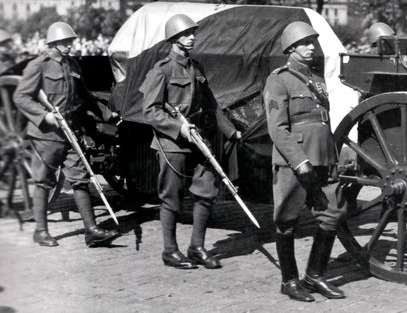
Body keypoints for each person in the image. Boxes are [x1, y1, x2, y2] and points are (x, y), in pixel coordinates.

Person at [139, 14, 241, 270]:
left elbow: (211, 105)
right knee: (171, 197)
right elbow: (150, 111)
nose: (192, 37)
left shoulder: (197, 68)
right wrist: (178, 127)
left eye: (193, 33)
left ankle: (197, 247)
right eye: (186, 34)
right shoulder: (161, 70)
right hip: (171, 142)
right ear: (174, 39)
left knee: (206, 191)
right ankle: (170, 251)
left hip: (198, 139)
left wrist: (231, 132)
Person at [13, 22, 119, 247]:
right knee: (44, 182)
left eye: (71, 42)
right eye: (66, 42)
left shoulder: (71, 65)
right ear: (54, 44)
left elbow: (85, 96)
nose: (71, 46)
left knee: (80, 178)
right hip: (47, 135)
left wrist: (108, 115)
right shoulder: (38, 66)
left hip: (71, 130)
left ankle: (91, 231)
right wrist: (45, 116)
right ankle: (41, 231)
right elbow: (21, 97)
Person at [264, 21, 347, 302]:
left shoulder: (317, 78)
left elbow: (323, 122)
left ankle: (314, 276)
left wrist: (332, 157)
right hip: (294, 162)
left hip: (323, 157)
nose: (312, 46)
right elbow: (277, 128)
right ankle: (289, 281)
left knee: (332, 213)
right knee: (287, 220)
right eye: (305, 43)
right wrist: (299, 162)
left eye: (313, 41)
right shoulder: (279, 79)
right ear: (291, 48)